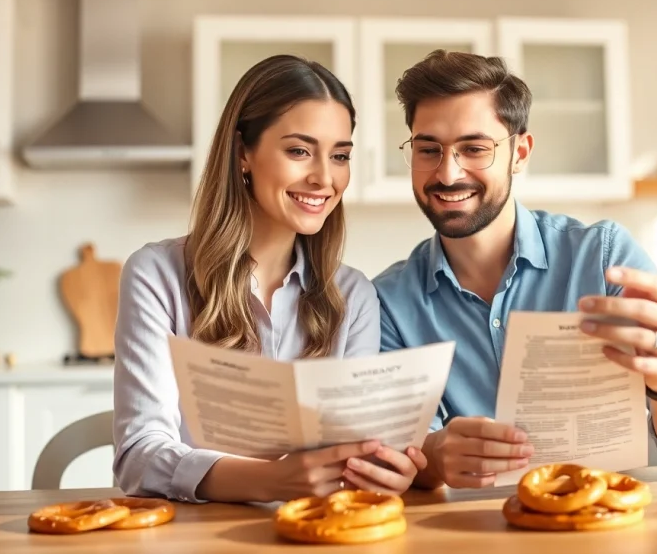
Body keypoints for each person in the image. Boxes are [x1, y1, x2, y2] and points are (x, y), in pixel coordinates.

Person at [373, 50, 657, 490]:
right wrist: (433, 458)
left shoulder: (602, 257)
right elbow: (400, 455)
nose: (448, 173)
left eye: (474, 148)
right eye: (429, 149)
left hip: (608, 517)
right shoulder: (389, 302)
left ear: (520, 152)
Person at [112, 55, 426, 504]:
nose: (324, 178)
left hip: (312, 530)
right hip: (190, 533)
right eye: (299, 151)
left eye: (340, 156)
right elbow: (138, 456)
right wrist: (269, 480)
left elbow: (353, 452)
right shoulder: (157, 274)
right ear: (243, 152)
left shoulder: (353, 296)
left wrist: (380, 468)